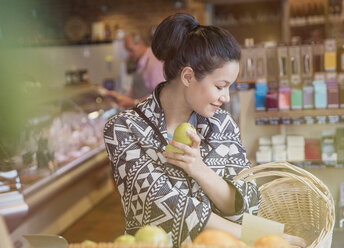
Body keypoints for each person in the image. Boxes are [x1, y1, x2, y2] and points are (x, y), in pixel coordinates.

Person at [104, 14, 306, 248]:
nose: (226, 97)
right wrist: (265, 236)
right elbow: (165, 209)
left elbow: (246, 202)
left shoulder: (222, 124)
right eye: (220, 86)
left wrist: (199, 169)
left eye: (229, 87)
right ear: (188, 76)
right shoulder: (123, 129)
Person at [103, 29, 165, 108]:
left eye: (130, 50)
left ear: (141, 44)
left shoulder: (154, 62)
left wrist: (133, 102)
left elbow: (161, 97)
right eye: (127, 51)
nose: (128, 54)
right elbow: (134, 91)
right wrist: (119, 98)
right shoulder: (141, 61)